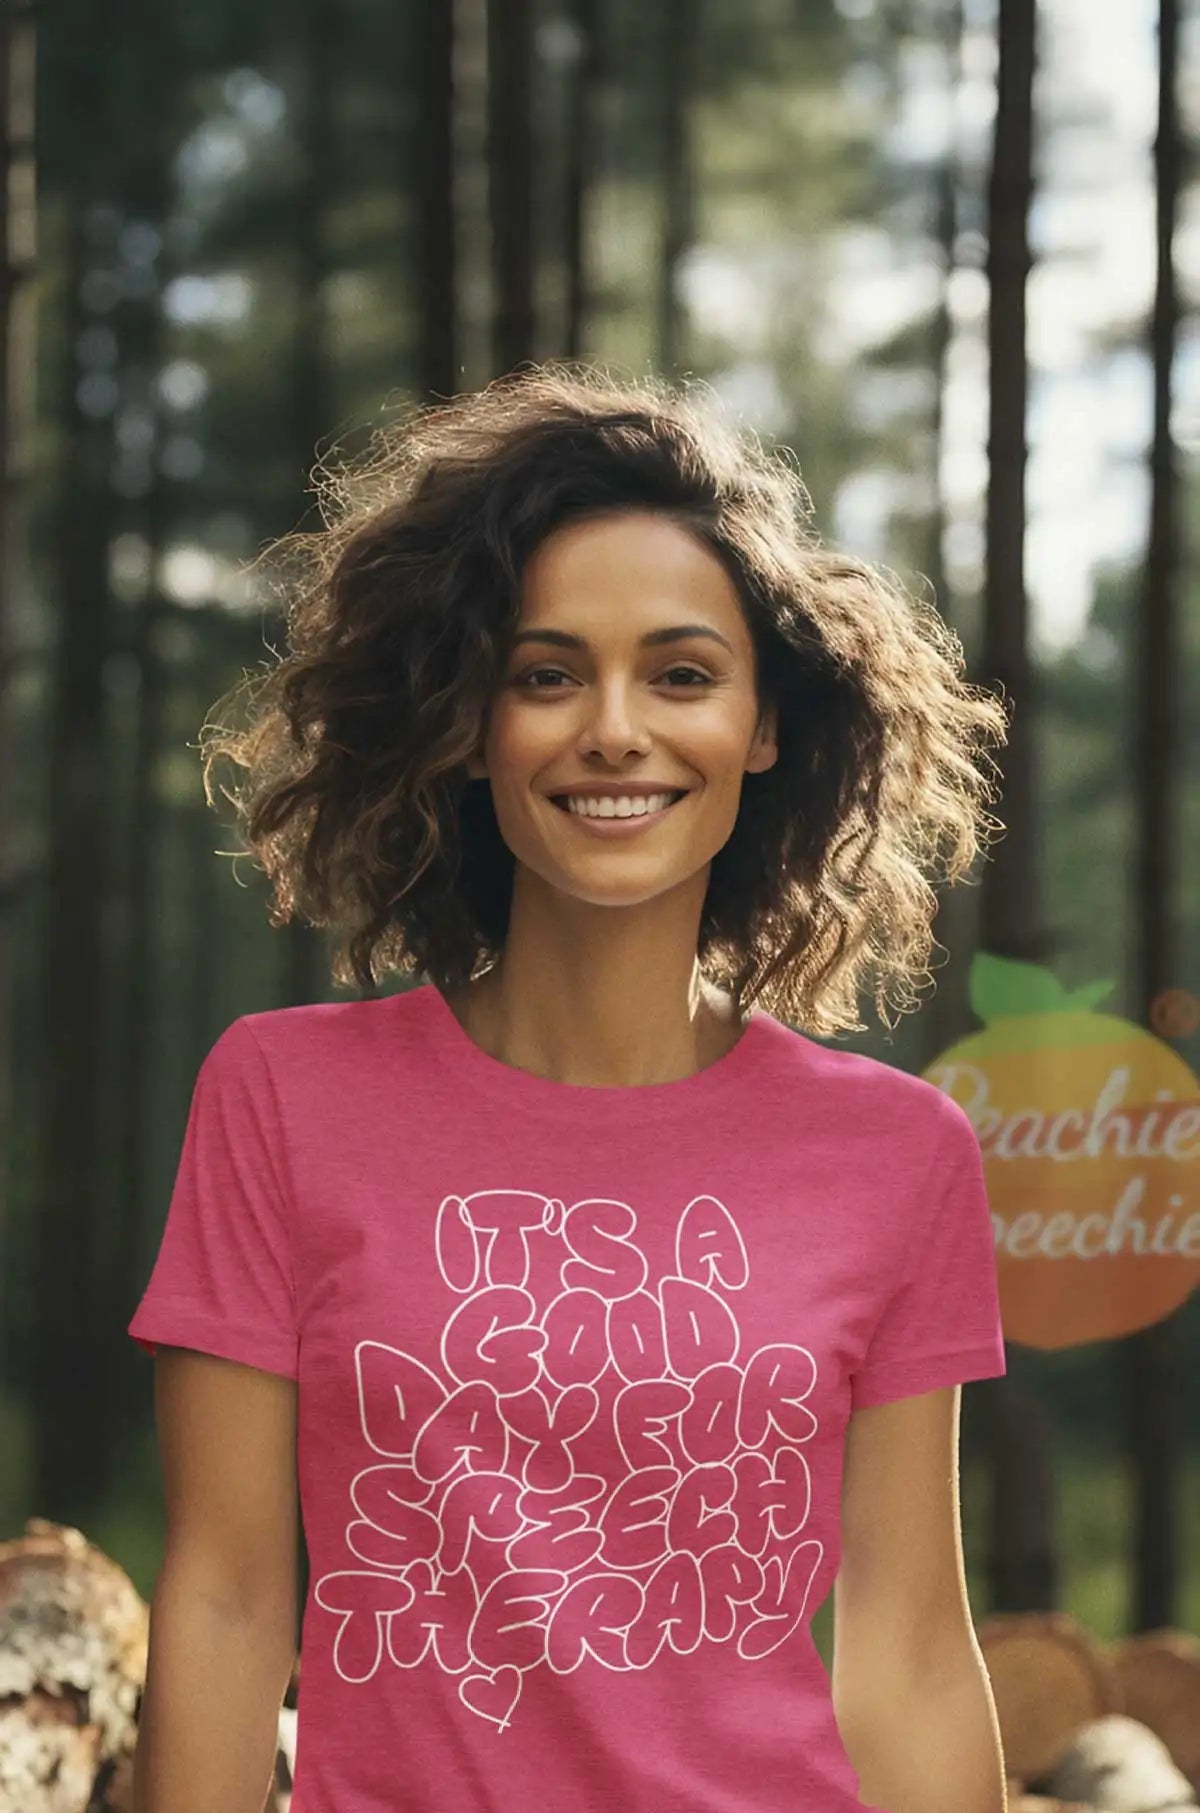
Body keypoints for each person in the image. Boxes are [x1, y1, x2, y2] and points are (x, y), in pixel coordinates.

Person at [128, 364, 1013, 1813]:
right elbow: (225, 1598)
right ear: (474, 726)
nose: (614, 728)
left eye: (680, 673)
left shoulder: (898, 1149)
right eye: (547, 674)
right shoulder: (281, 1096)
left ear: (765, 725)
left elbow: (909, 1647)